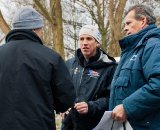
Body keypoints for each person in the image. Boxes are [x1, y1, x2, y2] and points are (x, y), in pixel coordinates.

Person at [0, 7, 76, 130]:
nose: (42, 33)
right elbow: (66, 100)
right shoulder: (51, 57)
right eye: (41, 30)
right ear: (35, 29)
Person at [109, 4, 160, 130]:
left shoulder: (154, 46)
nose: (125, 28)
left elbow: (158, 84)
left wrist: (127, 107)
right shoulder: (131, 51)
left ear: (143, 21)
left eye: (128, 23)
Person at [61, 25, 117, 130]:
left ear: (97, 42)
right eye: (81, 39)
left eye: (89, 38)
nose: (84, 42)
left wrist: (90, 106)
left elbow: (112, 98)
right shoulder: (70, 64)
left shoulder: (109, 67)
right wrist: (62, 106)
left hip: (96, 125)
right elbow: (63, 91)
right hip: (69, 124)